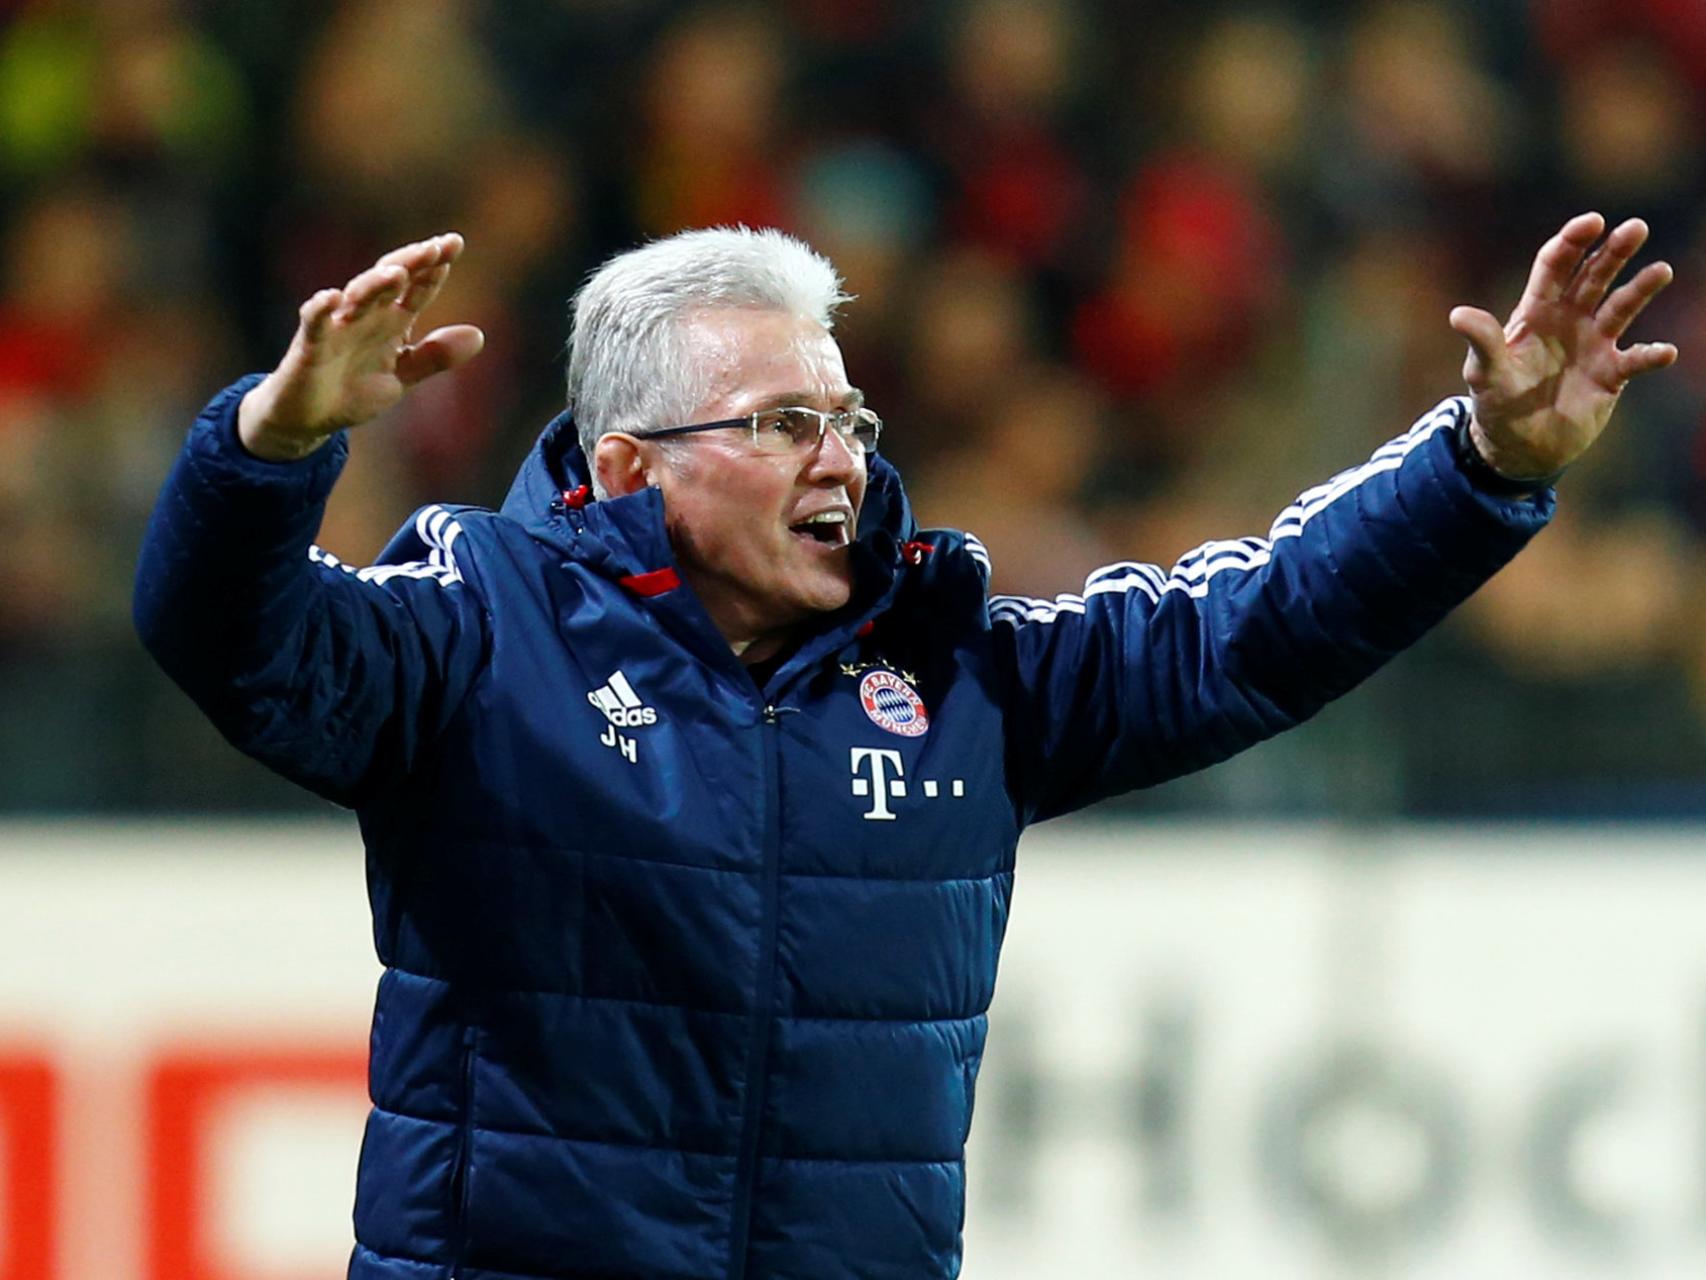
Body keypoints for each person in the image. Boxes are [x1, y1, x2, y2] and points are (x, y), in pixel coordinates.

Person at [135, 214, 1675, 1280]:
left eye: (850, 419)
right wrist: (268, 452)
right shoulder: (472, 637)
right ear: (626, 467)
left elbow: (1246, 631)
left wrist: (1476, 466)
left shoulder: (950, 668)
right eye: (783, 423)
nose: (842, 460)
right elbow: (232, 642)